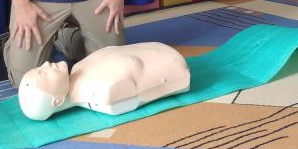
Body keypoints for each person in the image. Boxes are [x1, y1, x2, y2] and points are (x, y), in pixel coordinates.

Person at [18, 43, 191, 120]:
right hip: (173, 62)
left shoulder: (78, 68)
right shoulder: (103, 94)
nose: (46, 64)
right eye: (43, 74)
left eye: (38, 68)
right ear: (57, 101)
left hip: (164, 53)